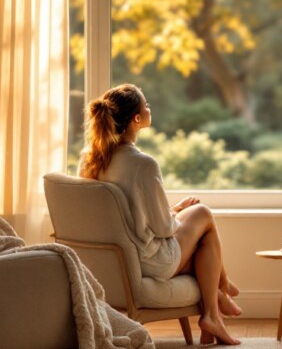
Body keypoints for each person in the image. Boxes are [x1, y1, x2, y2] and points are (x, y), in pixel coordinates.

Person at [79, 83, 241, 345]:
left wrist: (173, 210)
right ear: (136, 119)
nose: (149, 108)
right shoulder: (143, 163)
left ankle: (215, 311)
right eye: (146, 105)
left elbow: (126, 215)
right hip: (150, 260)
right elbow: (165, 229)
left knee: (201, 239)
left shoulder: (90, 159)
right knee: (203, 214)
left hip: (115, 260)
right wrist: (177, 214)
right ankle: (220, 293)